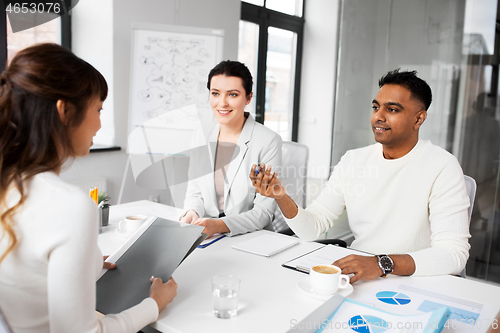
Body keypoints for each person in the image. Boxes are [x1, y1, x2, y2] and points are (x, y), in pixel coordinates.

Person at [0, 43, 177, 332]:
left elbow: (31, 274)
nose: (98, 124)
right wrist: (154, 305)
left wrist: (89, 264)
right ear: (64, 111)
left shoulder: (9, 184)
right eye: (98, 109)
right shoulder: (67, 205)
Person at [251, 69, 471, 283]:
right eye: (376, 107)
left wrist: (380, 264)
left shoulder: (443, 166)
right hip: (359, 279)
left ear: (418, 119)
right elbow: (312, 228)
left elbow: (454, 254)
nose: (378, 116)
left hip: (412, 283)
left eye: (392, 109)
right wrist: (280, 195)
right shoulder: (353, 161)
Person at [180, 60, 282, 237]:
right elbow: (195, 192)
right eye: (215, 93)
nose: (222, 103)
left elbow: (264, 212)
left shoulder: (268, 140)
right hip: (207, 235)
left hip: (251, 237)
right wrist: (192, 212)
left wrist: (219, 225)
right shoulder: (201, 134)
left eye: (232, 95)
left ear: (248, 98)